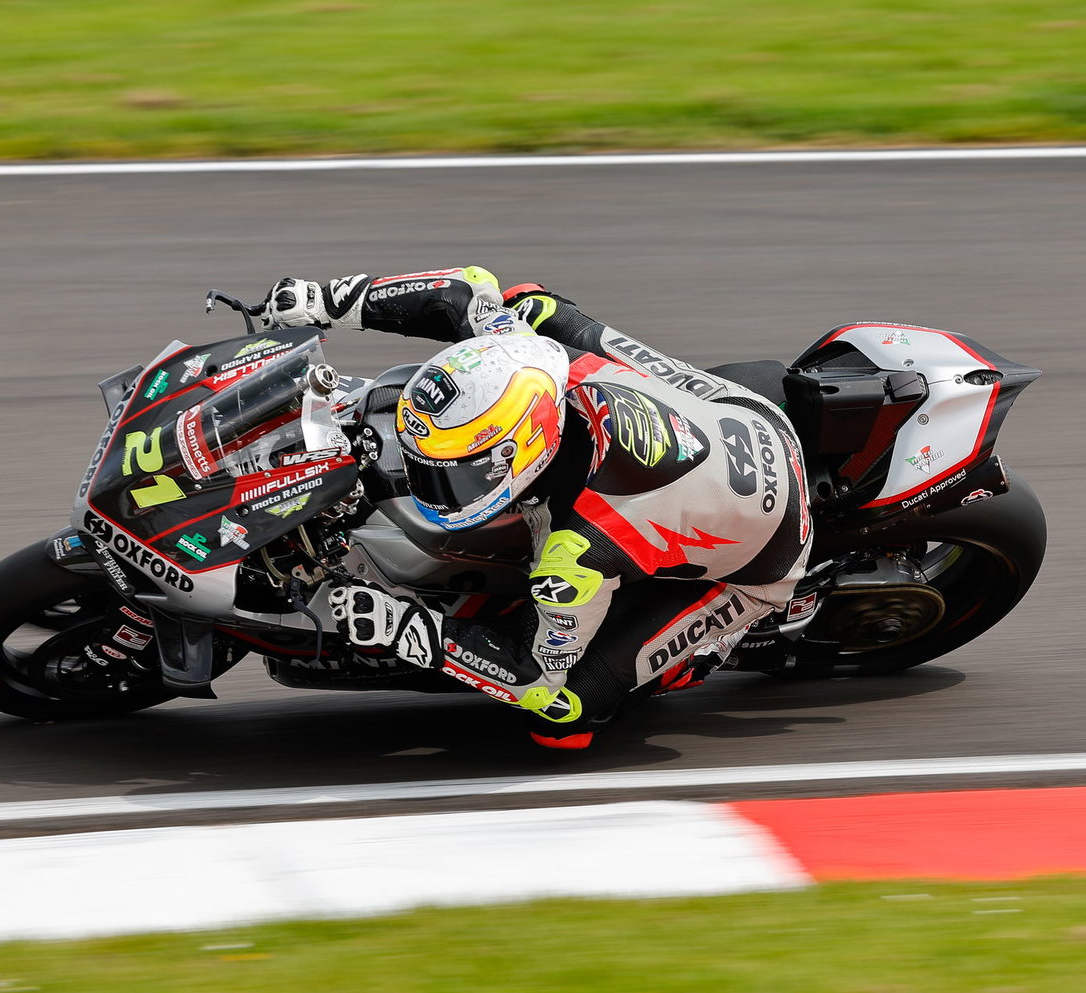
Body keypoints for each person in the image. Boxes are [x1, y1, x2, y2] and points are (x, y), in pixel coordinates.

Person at [260, 267, 811, 749]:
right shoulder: (525, 357)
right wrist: (322, 301)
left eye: (452, 471)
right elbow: (463, 291)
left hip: (768, 548)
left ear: (520, 452)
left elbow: (533, 674)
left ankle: (703, 651)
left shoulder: (574, 553)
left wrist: (398, 623)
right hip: (734, 409)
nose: (428, 481)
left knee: (564, 713)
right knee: (531, 304)